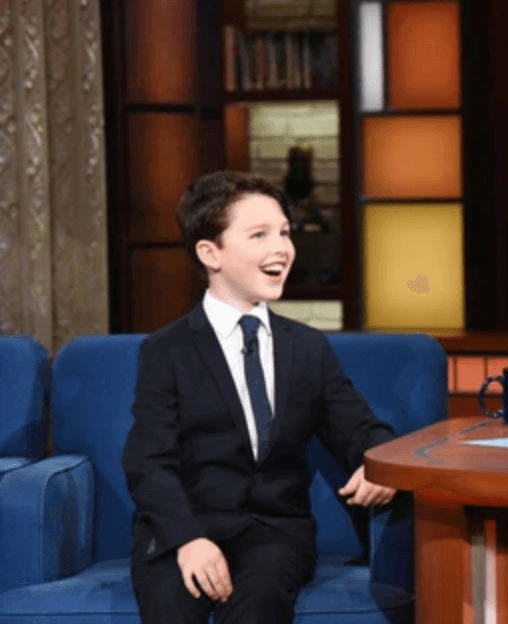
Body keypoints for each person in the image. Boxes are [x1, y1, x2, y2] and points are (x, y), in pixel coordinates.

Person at [122, 171, 397, 624]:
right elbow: (148, 460)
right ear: (210, 253)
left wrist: (379, 462)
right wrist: (189, 541)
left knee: (258, 606)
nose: (282, 249)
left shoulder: (307, 348)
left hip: (274, 534)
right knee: (173, 608)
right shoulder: (165, 350)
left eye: (284, 233)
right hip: (184, 530)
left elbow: (360, 428)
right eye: (259, 235)